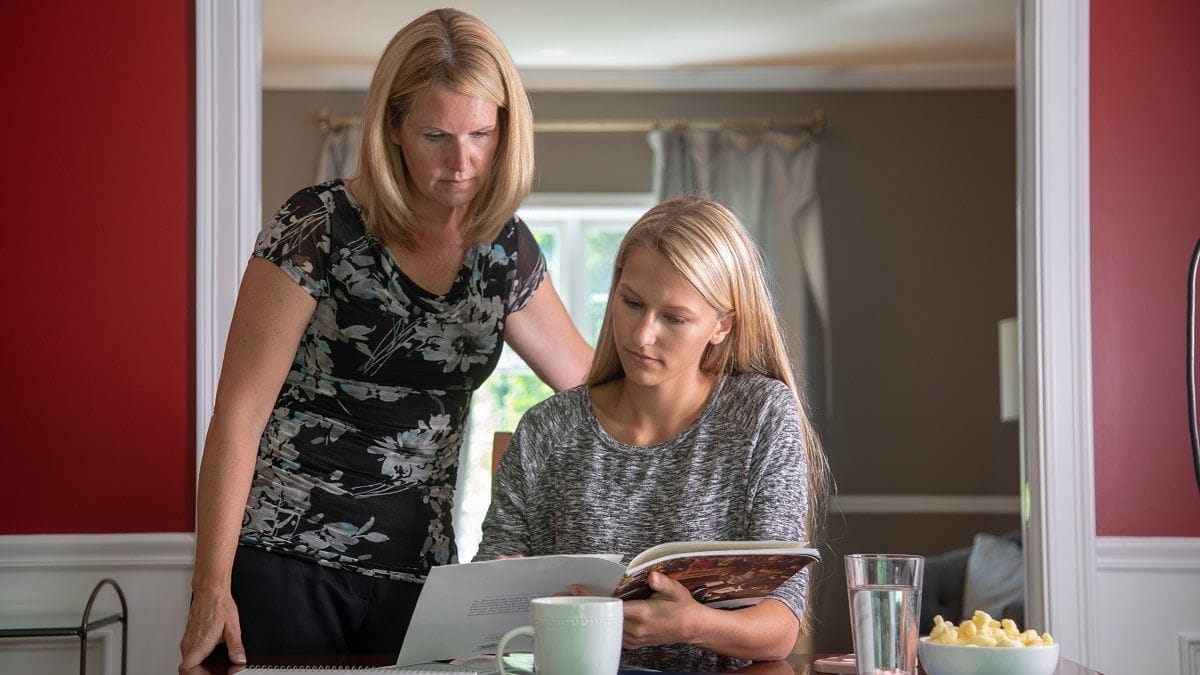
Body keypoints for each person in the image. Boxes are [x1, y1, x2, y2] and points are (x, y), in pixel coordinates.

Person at [178, 8, 592, 670]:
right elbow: (237, 419)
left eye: (482, 133)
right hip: (285, 561)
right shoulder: (316, 225)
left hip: (422, 578)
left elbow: (594, 388)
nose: (462, 162)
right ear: (392, 127)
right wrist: (210, 587)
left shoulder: (504, 250)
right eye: (436, 134)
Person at [475, 196, 831, 670]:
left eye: (674, 318)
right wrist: (501, 587)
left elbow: (780, 627)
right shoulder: (547, 428)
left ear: (722, 325)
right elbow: (484, 599)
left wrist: (691, 624)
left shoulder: (760, 415)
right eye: (631, 303)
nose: (642, 335)